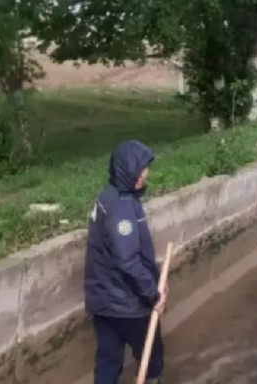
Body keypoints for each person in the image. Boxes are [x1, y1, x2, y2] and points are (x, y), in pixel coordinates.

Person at [84, 140, 168, 384]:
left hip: (103, 301)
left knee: (108, 361)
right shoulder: (121, 209)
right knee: (152, 356)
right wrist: (153, 294)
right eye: (139, 170)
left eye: (144, 169)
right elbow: (128, 261)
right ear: (125, 170)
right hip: (127, 304)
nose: (144, 175)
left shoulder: (109, 197)